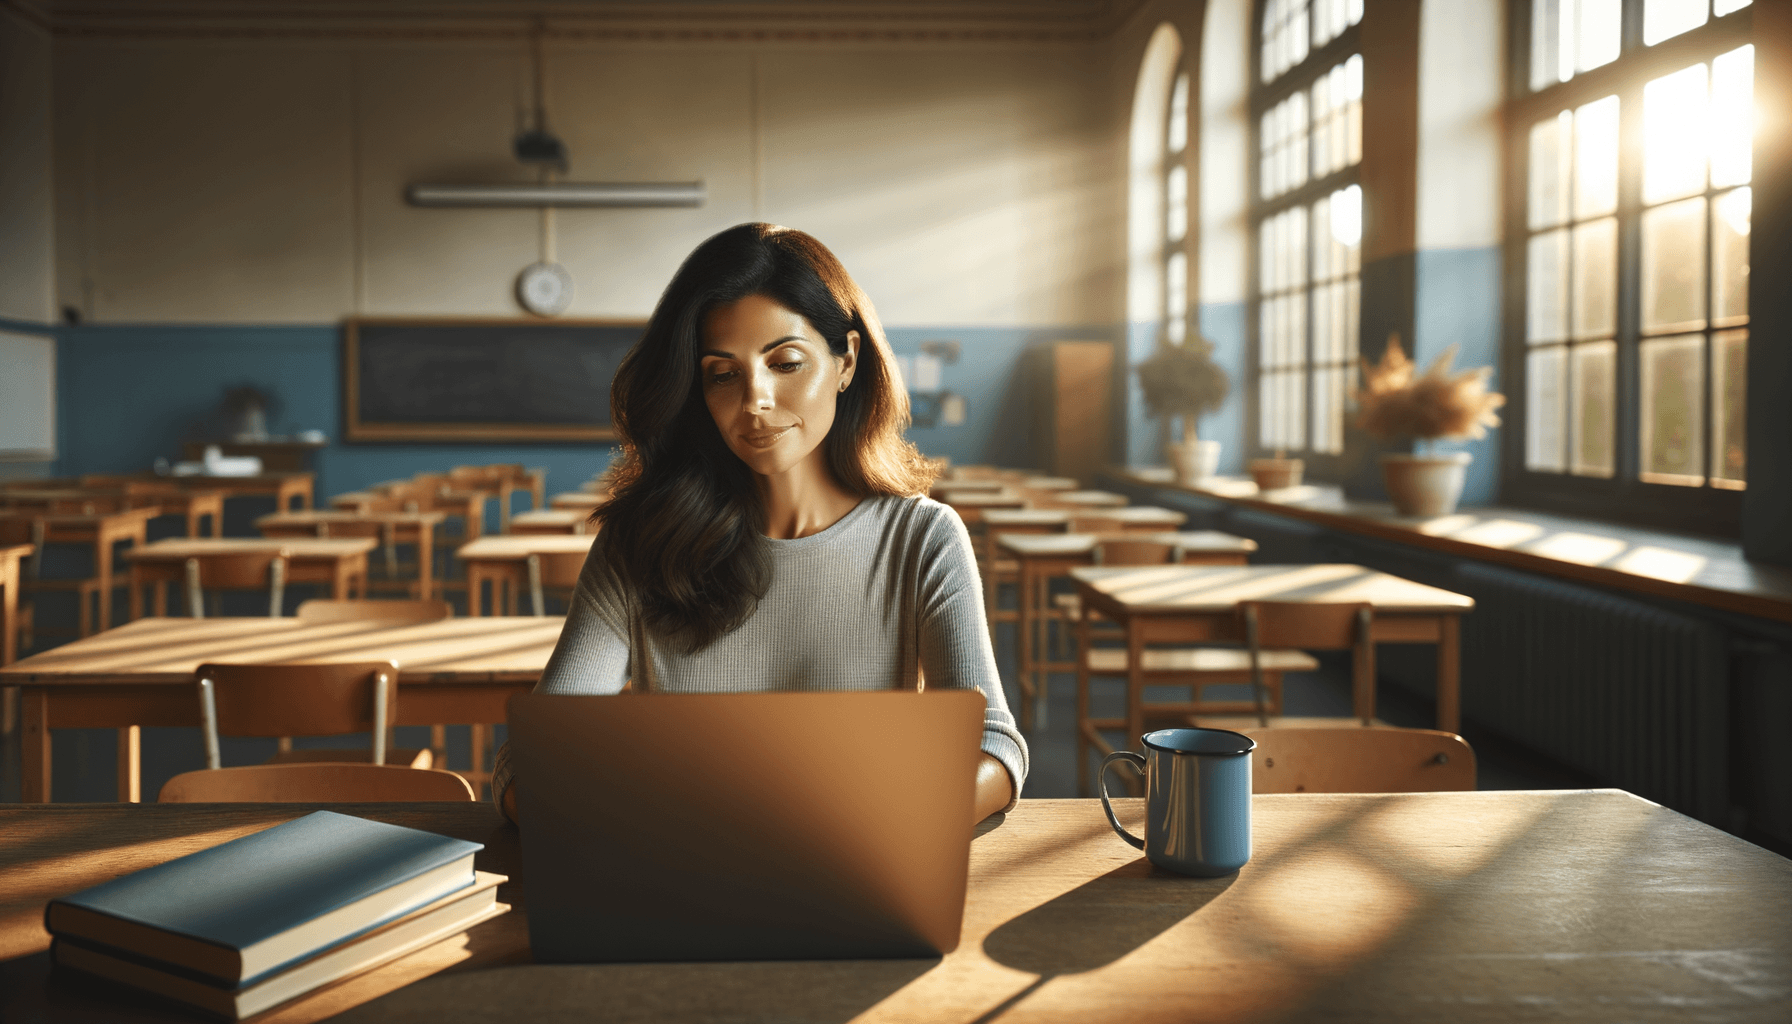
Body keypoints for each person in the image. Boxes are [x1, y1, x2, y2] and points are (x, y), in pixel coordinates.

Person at [491, 222, 1027, 824]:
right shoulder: (641, 543)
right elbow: (524, 766)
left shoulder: (923, 538)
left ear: (846, 360)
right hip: (687, 881)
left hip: (863, 874)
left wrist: (881, 816)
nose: (755, 400)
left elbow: (994, 750)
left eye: (786, 363)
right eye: (723, 374)